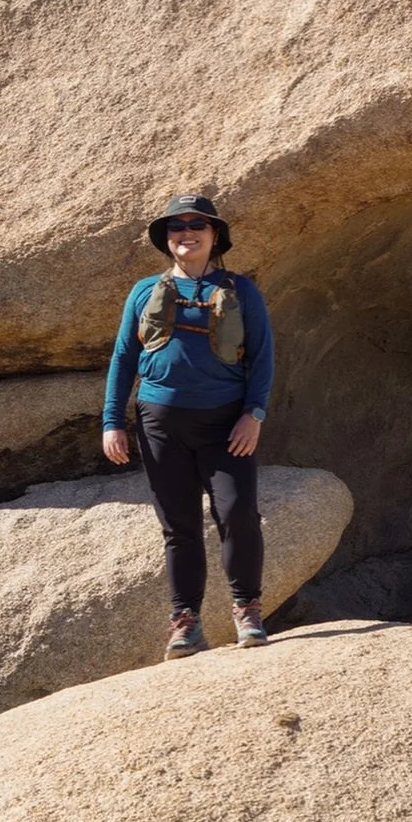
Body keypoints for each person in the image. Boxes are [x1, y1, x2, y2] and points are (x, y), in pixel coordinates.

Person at [102, 194, 275, 661]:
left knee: (237, 513)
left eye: (198, 224)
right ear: (167, 239)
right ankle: (186, 624)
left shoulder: (241, 290)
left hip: (225, 423)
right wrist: (112, 422)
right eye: (176, 227)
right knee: (178, 527)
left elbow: (263, 357)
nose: (186, 232)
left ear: (215, 236)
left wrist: (253, 414)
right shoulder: (143, 291)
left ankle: (247, 611)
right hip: (159, 423)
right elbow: (124, 358)